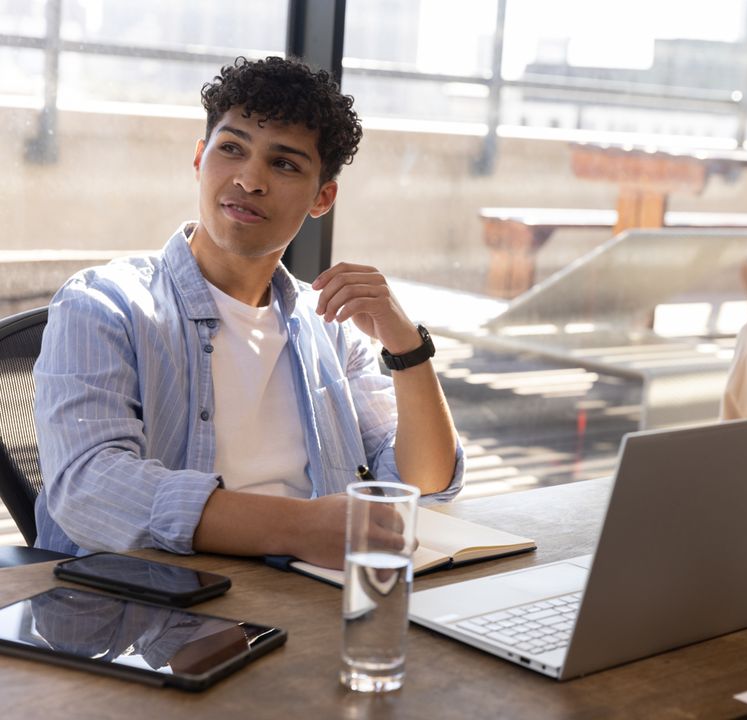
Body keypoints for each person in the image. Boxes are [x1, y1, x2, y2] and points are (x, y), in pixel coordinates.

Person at [33, 56, 464, 568]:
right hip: (158, 615)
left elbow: (421, 483)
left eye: (284, 164)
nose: (250, 179)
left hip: (314, 597)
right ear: (199, 158)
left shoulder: (331, 327)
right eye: (232, 148)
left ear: (322, 198)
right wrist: (300, 528)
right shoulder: (104, 305)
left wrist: (408, 348)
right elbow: (89, 489)